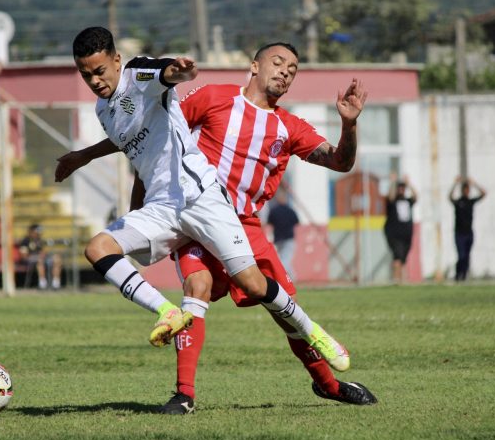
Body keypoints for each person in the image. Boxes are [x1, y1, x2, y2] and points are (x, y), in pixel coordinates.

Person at [54, 27, 348, 375]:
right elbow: (133, 144)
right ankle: (168, 314)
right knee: (98, 248)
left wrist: (178, 70)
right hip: (162, 207)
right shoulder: (104, 110)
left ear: (116, 61)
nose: (94, 80)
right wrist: (83, 157)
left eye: (99, 71)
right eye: (86, 74)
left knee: (254, 283)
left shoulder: (137, 74)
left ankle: (313, 331)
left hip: (201, 197)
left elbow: (164, 72)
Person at [146, 43, 375, 414]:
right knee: (197, 286)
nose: (285, 71)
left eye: (293, 68)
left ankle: (329, 386)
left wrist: (349, 124)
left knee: (285, 310)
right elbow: (157, 137)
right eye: (278, 62)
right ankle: (184, 394)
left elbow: (339, 161)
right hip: (198, 220)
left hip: (246, 227)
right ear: (254, 66)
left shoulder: (290, 126)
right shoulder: (212, 96)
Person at [449, 175, 486, 281]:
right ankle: (458, 274)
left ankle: (464, 275)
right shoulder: (458, 202)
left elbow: (484, 193)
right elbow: (450, 197)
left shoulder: (470, 202)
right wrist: (455, 184)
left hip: (469, 233)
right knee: (461, 255)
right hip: (459, 233)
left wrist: (474, 184)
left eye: (468, 189)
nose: (466, 191)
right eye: (465, 189)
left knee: (467, 256)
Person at [384, 173, 417, 284]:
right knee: (397, 257)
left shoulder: (408, 201)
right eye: (400, 188)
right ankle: (397, 280)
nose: (401, 190)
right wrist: (393, 182)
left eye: (403, 188)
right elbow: (390, 197)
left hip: (407, 233)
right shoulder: (393, 202)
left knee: (403, 258)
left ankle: (403, 280)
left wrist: (409, 184)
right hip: (394, 234)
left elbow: (415, 196)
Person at [266, 189, 300, 279]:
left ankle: (291, 278)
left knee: (283, 260)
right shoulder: (290, 210)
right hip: (289, 238)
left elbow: (269, 222)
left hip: (278, 238)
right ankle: (288, 278)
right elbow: (297, 222)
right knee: (285, 260)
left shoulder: (273, 211)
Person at [18, 223, 63, 289]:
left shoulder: (39, 240)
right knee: (40, 260)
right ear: (31, 232)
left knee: (57, 258)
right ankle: (42, 283)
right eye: (37, 232)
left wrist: (44, 254)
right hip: (31, 260)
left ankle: (56, 283)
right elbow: (24, 256)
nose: (39, 234)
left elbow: (42, 251)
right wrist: (37, 256)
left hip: (41, 258)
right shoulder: (25, 241)